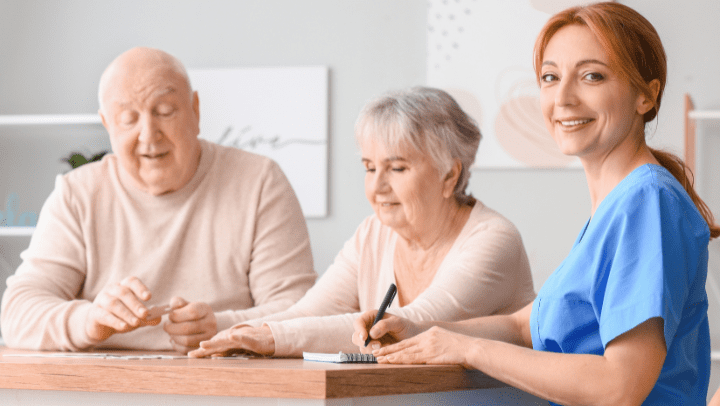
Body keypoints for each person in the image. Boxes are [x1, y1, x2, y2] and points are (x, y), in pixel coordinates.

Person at [353, 3, 719, 405]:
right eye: (550, 77)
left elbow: (621, 386)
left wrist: (467, 349)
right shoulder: (616, 208)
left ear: (646, 96)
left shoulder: (647, 203)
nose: (562, 97)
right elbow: (524, 327)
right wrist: (419, 328)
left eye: (591, 76)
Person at [0, 47, 317, 353]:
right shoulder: (77, 193)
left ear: (195, 110)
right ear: (107, 124)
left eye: (165, 112)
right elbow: (17, 314)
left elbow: (299, 311)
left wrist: (222, 327)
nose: (149, 134)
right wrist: (89, 321)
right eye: (128, 119)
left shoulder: (259, 182)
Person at [188, 87, 536, 358]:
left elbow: (408, 325)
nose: (377, 186)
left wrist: (271, 337)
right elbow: (309, 312)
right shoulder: (373, 233)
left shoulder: (494, 239)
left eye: (397, 168)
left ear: (449, 174)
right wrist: (221, 329)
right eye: (370, 167)